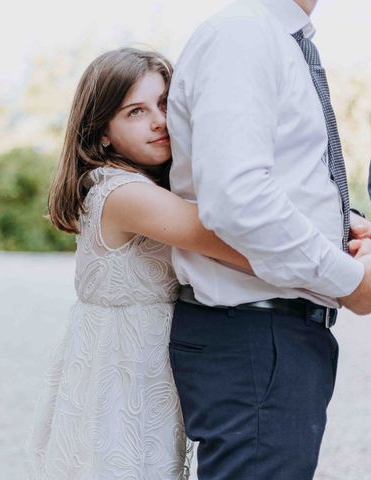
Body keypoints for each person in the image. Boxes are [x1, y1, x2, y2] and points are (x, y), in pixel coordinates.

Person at [26, 47, 256, 480]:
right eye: (135, 111)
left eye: (165, 103)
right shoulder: (123, 193)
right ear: (102, 135)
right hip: (120, 376)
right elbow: (232, 245)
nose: (159, 120)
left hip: (138, 372)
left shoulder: (141, 186)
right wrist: (335, 253)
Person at [166, 0, 371, 478]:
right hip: (255, 334)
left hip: (270, 335)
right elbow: (238, 198)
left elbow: (283, 179)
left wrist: (345, 226)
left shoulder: (279, 39)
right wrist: (350, 281)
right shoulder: (245, 33)